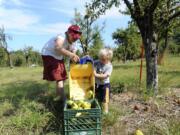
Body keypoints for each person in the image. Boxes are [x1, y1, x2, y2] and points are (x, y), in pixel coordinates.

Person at [41, 25, 82, 102]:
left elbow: (73, 54)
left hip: (58, 56)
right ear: (69, 34)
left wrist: (75, 58)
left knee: (62, 77)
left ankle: (58, 96)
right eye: (73, 38)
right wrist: (71, 54)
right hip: (49, 54)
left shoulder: (73, 42)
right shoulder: (62, 37)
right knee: (60, 78)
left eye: (76, 39)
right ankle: (64, 101)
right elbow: (58, 48)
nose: (74, 40)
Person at [94, 48, 113, 114]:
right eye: (100, 58)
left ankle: (105, 111)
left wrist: (95, 75)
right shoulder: (97, 62)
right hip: (96, 84)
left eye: (103, 59)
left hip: (105, 84)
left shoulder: (109, 66)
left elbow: (105, 76)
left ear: (108, 59)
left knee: (105, 98)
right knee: (96, 96)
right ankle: (96, 107)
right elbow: (91, 64)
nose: (101, 61)